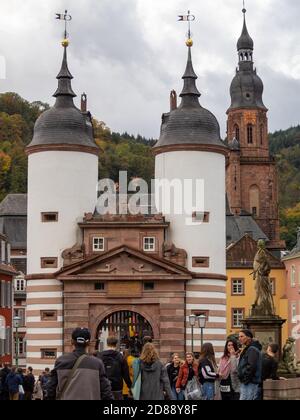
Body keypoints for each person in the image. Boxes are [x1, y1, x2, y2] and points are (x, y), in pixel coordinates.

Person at [46, 327, 113, 400]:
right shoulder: (97, 363)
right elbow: (106, 392)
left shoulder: (61, 361)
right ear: (88, 343)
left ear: (72, 341)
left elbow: (51, 389)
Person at [238, 330, 262, 400]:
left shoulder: (252, 349)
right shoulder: (249, 348)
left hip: (250, 382)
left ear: (248, 338)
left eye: (242, 336)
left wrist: (245, 379)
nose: (239, 338)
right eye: (239, 337)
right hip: (248, 381)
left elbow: (251, 366)